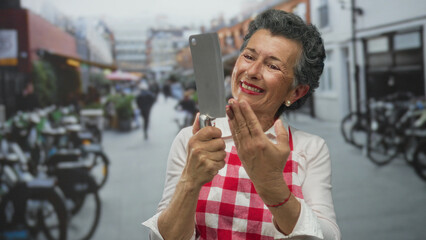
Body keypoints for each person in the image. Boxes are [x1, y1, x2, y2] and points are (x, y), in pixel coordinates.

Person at [143, 9, 341, 240]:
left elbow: (328, 235)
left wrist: (272, 185)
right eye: (249, 56)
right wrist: (190, 181)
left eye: (273, 66)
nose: (252, 71)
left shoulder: (310, 149)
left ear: (297, 91)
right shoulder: (193, 140)